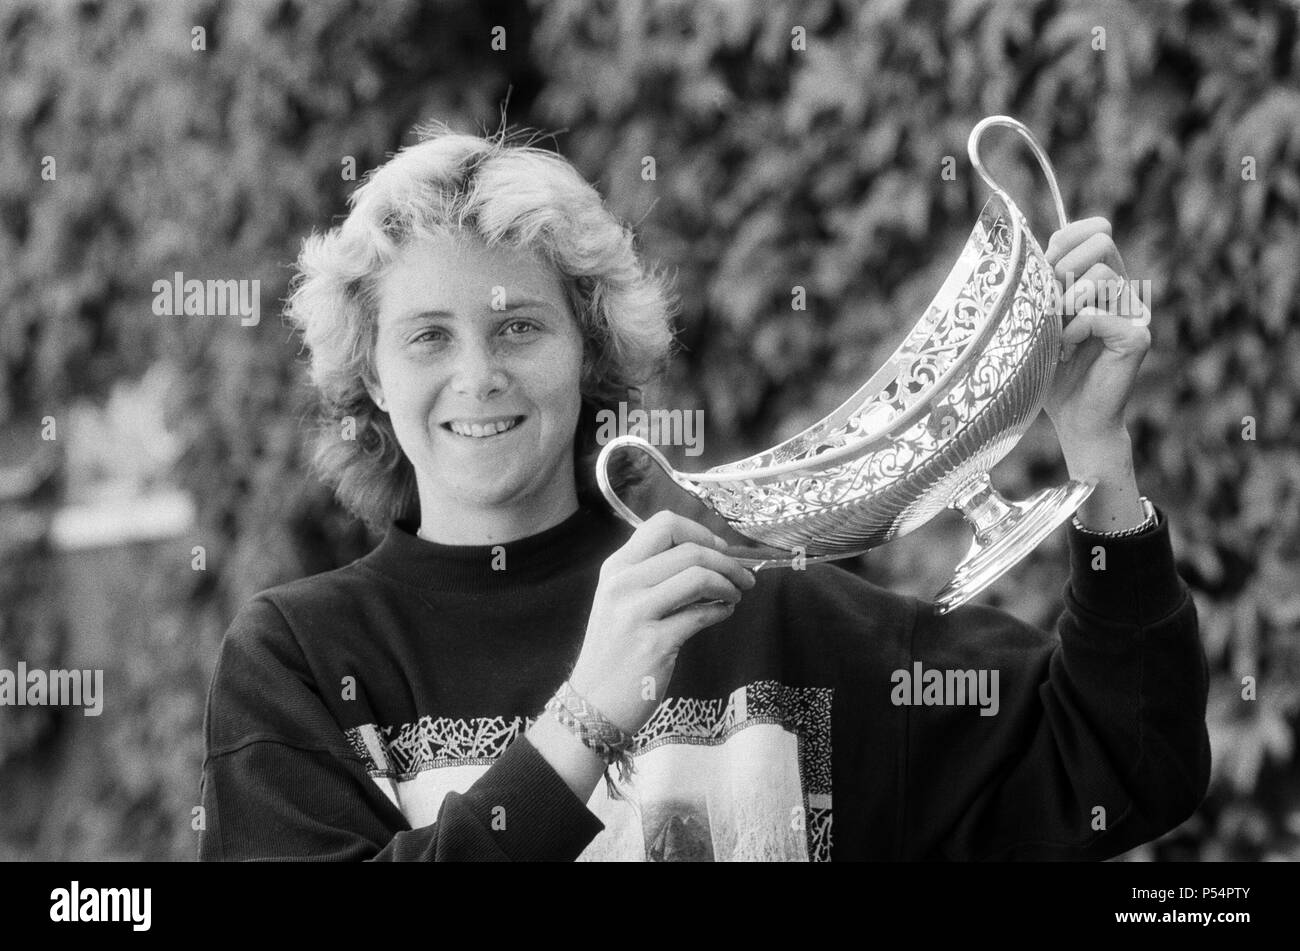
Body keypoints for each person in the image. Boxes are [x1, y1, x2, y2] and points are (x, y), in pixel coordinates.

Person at [197, 123, 1209, 861]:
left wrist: (1096, 460)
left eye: (518, 327)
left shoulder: (755, 601)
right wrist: (587, 717)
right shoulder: (301, 660)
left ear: (588, 352)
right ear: (370, 376)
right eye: (427, 336)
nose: (477, 377)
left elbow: (1123, 762)